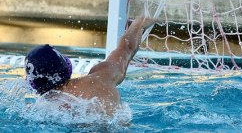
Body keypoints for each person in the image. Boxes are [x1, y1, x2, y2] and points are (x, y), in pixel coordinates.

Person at [25, 16, 156, 115]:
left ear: (33, 83)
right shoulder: (102, 75)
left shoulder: (42, 109)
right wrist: (139, 22)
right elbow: (127, 48)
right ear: (66, 66)